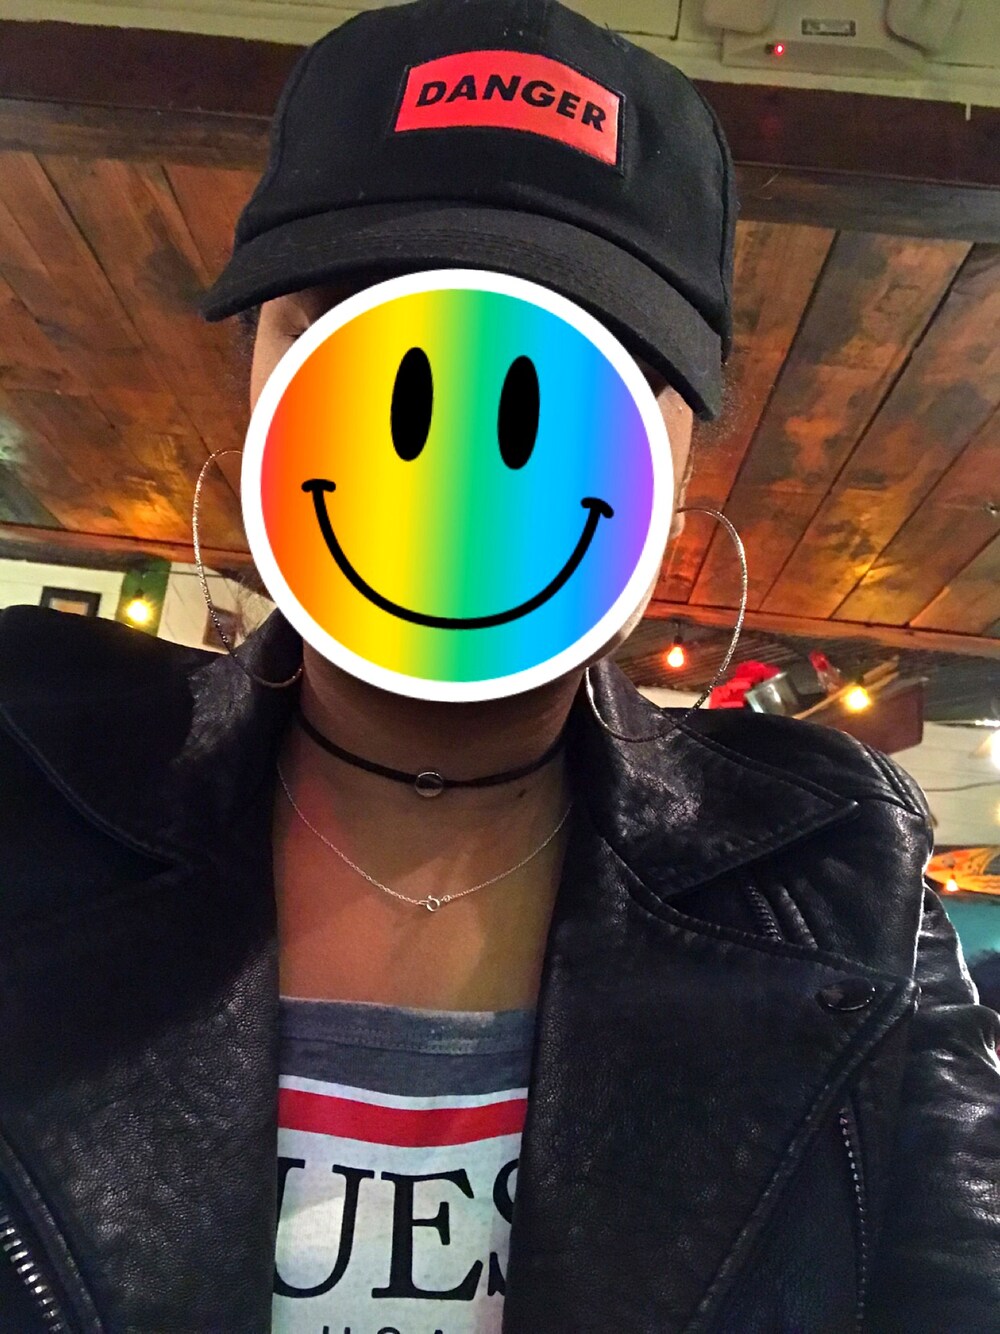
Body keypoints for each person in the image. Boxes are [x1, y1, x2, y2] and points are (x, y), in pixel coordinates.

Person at [1, 2, 998, 1331]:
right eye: (355, 315)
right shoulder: (28, 780)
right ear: (258, 380)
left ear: (683, 446)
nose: (459, 437)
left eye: (580, 345)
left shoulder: (846, 877)